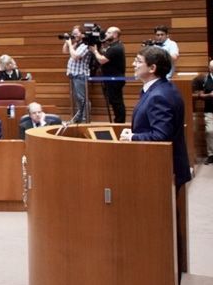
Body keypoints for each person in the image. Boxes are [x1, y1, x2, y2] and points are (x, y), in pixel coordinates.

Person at [121, 47, 191, 186]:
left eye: (138, 61)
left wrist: (132, 137)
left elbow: (161, 136)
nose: (133, 64)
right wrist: (135, 132)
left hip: (161, 169)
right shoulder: (162, 88)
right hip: (161, 166)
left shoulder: (158, 96)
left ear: (152, 68)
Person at [91, 26, 126, 123]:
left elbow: (102, 60)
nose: (105, 34)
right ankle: (118, 121)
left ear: (115, 35)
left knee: (117, 102)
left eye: (108, 33)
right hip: (111, 79)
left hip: (114, 79)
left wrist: (94, 51)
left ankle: (119, 123)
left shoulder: (116, 48)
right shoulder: (113, 46)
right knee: (114, 102)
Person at [64, 26, 92, 123]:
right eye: (73, 33)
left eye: (76, 33)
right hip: (74, 75)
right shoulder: (77, 44)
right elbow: (65, 51)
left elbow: (75, 56)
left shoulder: (86, 45)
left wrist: (70, 45)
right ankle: (79, 117)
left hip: (81, 74)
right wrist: (67, 42)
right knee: (77, 98)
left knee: (83, 98)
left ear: (82, 34)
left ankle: (85, 119)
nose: (74, 35)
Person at [193, 60, 213, 164]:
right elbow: (200, 95)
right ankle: (211, 154)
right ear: (210, 68)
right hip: (210, 110)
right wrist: (209, 95)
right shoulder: (204, 79)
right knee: (210, 131)